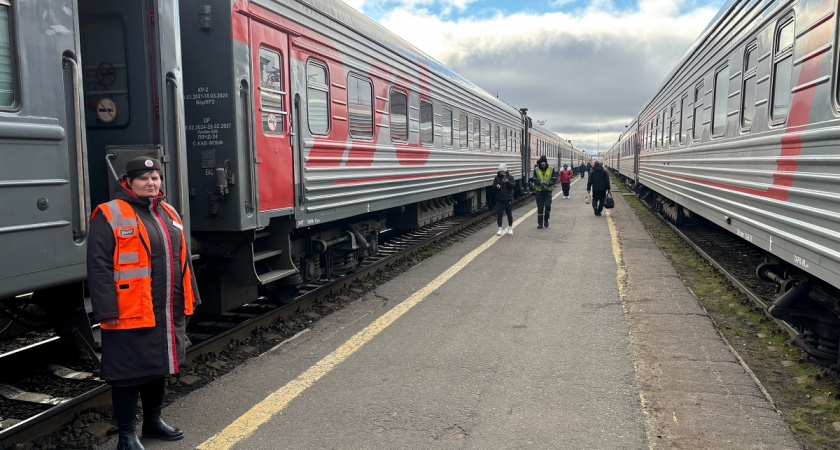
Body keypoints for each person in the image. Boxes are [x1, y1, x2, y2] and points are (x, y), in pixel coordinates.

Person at [87, 156, 201, 450]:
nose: (152, 184)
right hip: (128, 310)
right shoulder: (109, 214)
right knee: (126, 374)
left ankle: (153, 421)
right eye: (144, 179)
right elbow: (98, 266)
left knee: (156, 367)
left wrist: (192, 295)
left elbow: (183, 260)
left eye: (156, 178)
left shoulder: (168, 211)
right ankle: (126, 435)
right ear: (129, 182)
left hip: (165, 307)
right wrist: (106, 311)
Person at [531, 155, 557, 228]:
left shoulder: (551, 169)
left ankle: (546, 219)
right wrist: (539, 182)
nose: (543, 165)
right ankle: (540, 223)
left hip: (548, 191)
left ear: (546, 163)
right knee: (540, 207)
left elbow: (554, 178)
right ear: (540, 163)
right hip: (539, 191)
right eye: (542, 164)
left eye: (544, 164)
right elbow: (534, 179)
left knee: (548, 206)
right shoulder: (536, 169)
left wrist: (548, 183)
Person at [493, 163, 515, 235]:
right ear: (499, 171)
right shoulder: (496, 178)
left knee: (509, 214)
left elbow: (513, 186)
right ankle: (499, 228)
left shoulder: (510, 177)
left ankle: (510, 228)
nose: (502, 172)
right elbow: (493, 187)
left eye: (503, 171)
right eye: (501, 171)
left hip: (508, 198)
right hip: (499, 199)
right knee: (499, 214)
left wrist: (507, 182)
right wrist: (497, 186)